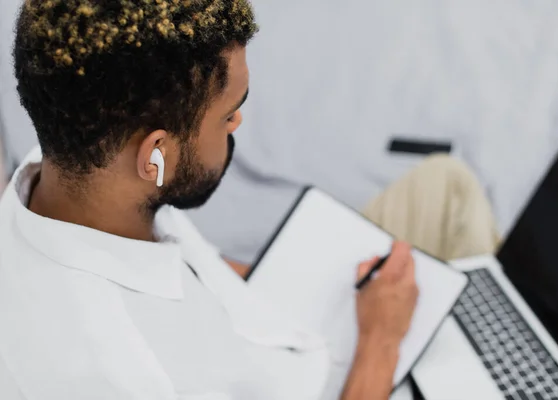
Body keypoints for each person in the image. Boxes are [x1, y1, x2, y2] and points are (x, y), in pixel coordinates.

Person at [0, 1, 425, 399]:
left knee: (446, 184)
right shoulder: (133, 376)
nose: (237, 121)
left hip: (301, 332)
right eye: (227, 114)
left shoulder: (76, 169)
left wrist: (291, 276)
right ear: (156, 155)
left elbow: (184, 269)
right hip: (360, 371)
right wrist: (381, 341)